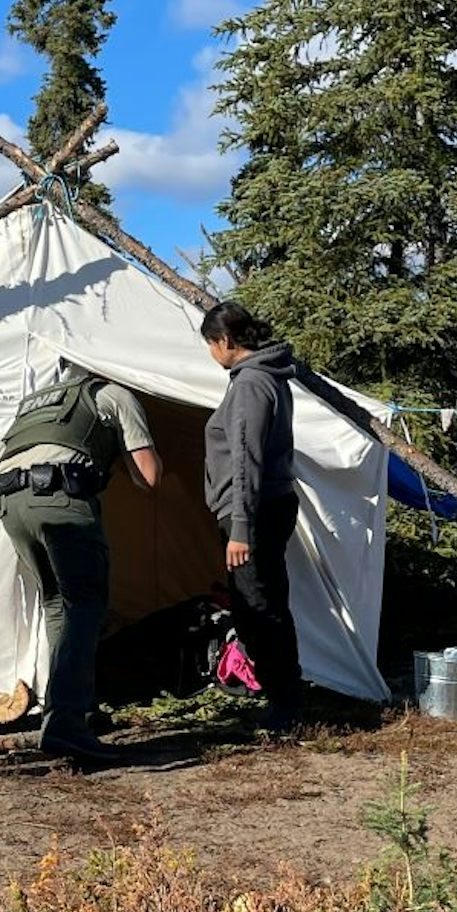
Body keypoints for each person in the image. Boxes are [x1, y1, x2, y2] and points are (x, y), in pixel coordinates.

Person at [0, 364, 162, 767]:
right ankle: (66, 724)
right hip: (59, 497)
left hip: (8, 501)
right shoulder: (113, 394)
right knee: (85, 603)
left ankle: (73, 711)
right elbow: (149, 477)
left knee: (57, 603)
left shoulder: (34, 403)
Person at [201, 301, 303, 733]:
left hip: (254, 513)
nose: (210, 353)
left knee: (258, 608)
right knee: (260, 604)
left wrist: (239, 528)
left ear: (225, 341)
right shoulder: (268, 378)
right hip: (265, 508)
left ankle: (284, 706)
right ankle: (283, 699)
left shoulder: (250, 384)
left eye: (210, 344)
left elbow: (246, 459)